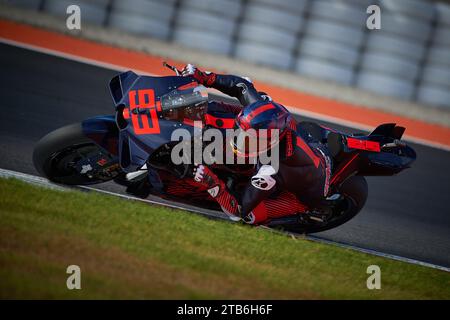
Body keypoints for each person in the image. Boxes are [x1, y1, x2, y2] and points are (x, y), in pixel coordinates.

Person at [181, 64, 332, 224]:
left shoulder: (269, 170)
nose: (240, 141)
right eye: (242, 135)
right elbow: (242, 86)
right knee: (245, 109)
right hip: (308, 143)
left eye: (249, 140)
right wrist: (205, 77)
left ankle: (303, 210)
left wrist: (211, 182)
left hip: (304, 191)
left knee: (249, 217)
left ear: (268, 143)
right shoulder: (267, 115)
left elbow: (238, 210)